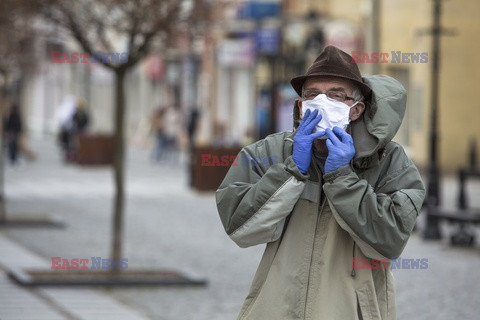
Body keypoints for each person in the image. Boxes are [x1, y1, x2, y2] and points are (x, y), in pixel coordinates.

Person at [216, 46, 425, 320]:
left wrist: (342, 178)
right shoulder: (269, 151)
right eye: (313, 94)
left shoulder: (390, 162)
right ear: (301, 106)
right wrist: (291, 172)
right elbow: (240, 227)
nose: (322, 101)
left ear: (356, 109)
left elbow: (389, 241)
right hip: (276, 310)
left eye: (336, 94)